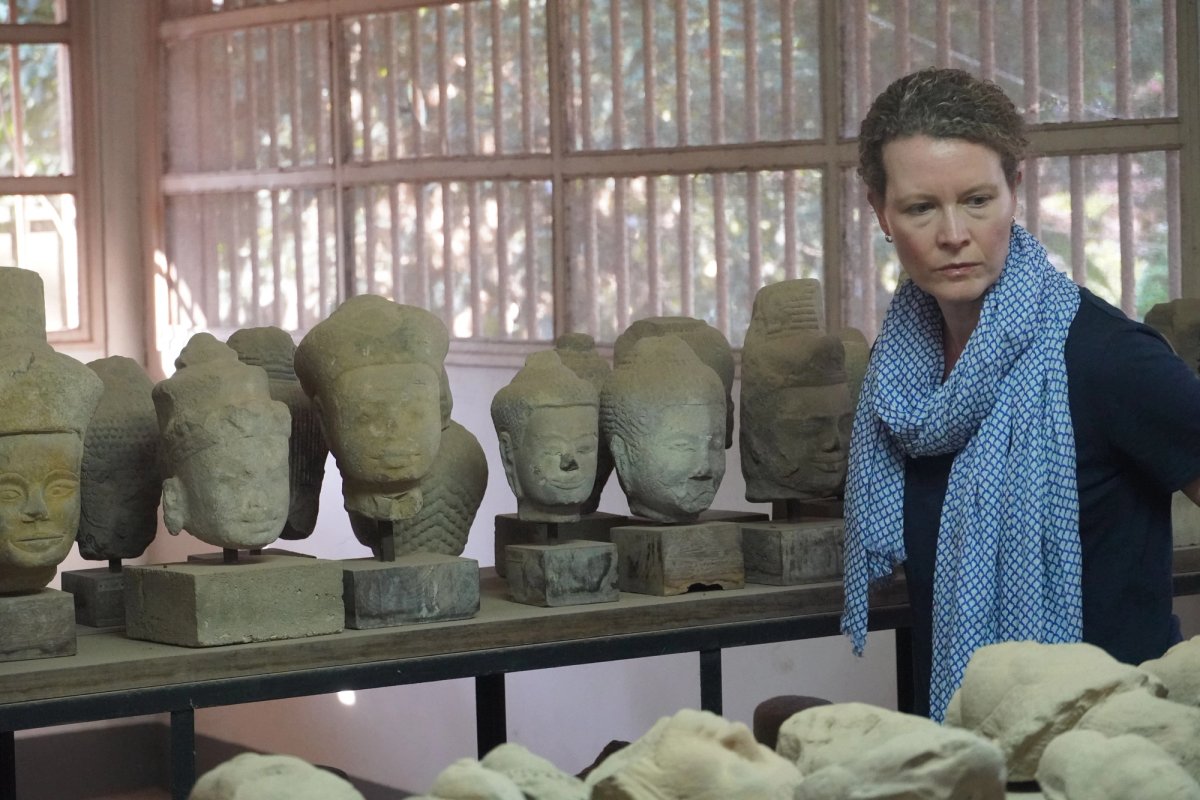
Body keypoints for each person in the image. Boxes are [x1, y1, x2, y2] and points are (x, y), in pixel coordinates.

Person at [840, 67, 1200, 721]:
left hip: (1118, 750)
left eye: (977, 199)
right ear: (880, 212)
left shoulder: (1108, 359)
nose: (953, 234)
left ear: (1015, 191)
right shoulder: (900, 382)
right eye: (922, 207)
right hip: (968, 744)